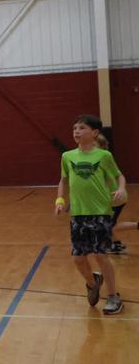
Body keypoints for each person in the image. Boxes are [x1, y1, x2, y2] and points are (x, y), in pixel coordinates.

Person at [56, 114, 126, 315]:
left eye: (82, 128)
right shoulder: (67, 156)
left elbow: (119, 175)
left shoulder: (104, 156)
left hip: (101, 212)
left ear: (95, 133)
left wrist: (120, 189)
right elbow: (64, 181)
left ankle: (113, 296)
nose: (77, 131)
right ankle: (93, 281)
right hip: (78, 214)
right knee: (78, 258)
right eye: (75, 128)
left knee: (100, 254)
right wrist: (60, 200)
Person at [94, 134, 128, 254]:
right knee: (109, 225)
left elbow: (120, 175)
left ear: (102, 147)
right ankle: (116, 244)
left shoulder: (104, 159)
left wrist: (121, 188)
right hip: (109, 199)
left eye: (94, 145)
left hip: (114, 199)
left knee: (107, 226)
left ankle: (112, 244)